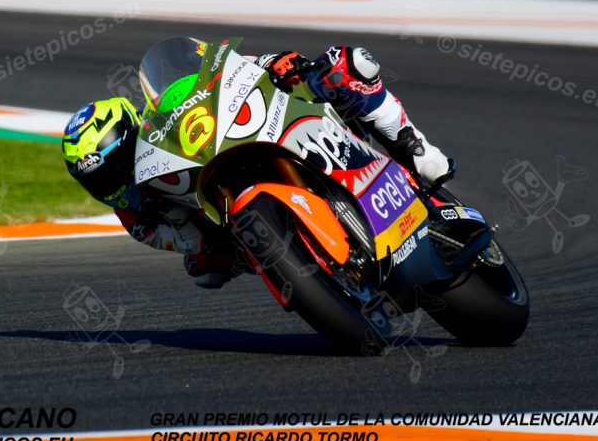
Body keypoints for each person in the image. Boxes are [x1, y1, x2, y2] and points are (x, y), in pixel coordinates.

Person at [61, 37, 453, 289]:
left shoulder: (160, 126)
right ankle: (322, 267)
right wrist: (212, 247)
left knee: (347, 65)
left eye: (114, 168)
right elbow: (190, 245)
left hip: (278, 124)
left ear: (134, 133)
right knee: (205, 272)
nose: (114, 184)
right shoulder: (137, 218)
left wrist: (280, 64)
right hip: (231, 217)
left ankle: (416, 149)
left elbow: (237, 69)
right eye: (98, 181)